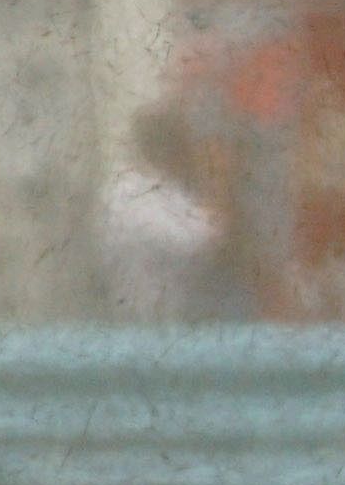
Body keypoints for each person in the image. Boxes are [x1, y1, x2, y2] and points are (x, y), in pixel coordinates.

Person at [99, 105, 246, 322]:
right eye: (187, 146)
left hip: (170, 321)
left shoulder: (169, 189)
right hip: (141, 326)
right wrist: (220, 177)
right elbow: (207, 236)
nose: (193, 154)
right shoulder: (130, 192)